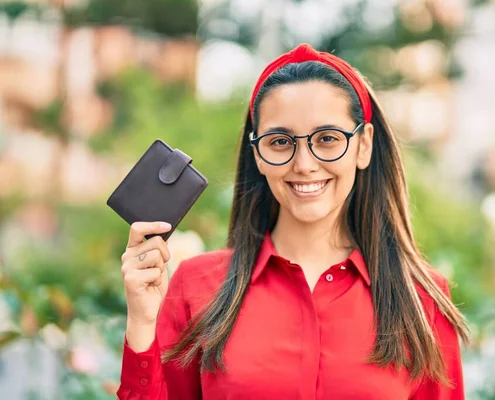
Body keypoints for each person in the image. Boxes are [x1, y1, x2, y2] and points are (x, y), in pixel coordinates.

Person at [117, 43, 468, 400]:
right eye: (281, 141)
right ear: (257, 153)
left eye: (328, 139)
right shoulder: (196, 286)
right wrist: (142, 324)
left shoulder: (421, 301)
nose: (304, 163)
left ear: (363, 145)